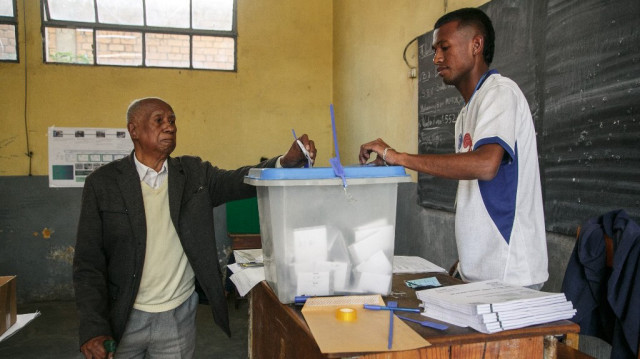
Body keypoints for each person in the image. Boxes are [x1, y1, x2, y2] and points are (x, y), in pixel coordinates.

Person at [73, 97, 316, 359]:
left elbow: (239, 180)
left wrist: (284, 162)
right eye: (159, 120)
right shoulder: (104, 183)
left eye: (172, 120)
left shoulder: (193, 174)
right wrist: (93, 327)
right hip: (123, 315)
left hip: (178, 316)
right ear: (134, 130)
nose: (169, 127)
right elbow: (88, 262)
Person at [359, 8, 548, 289]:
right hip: (479, 272)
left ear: (476, 45)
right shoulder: (465, 115)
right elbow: (475, 190)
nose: (436, 58)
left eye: (444, 48)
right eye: (435, 50)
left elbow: (485, 165)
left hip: (510, 275)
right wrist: (465, 261)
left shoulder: (499, 93)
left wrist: (398, 156)